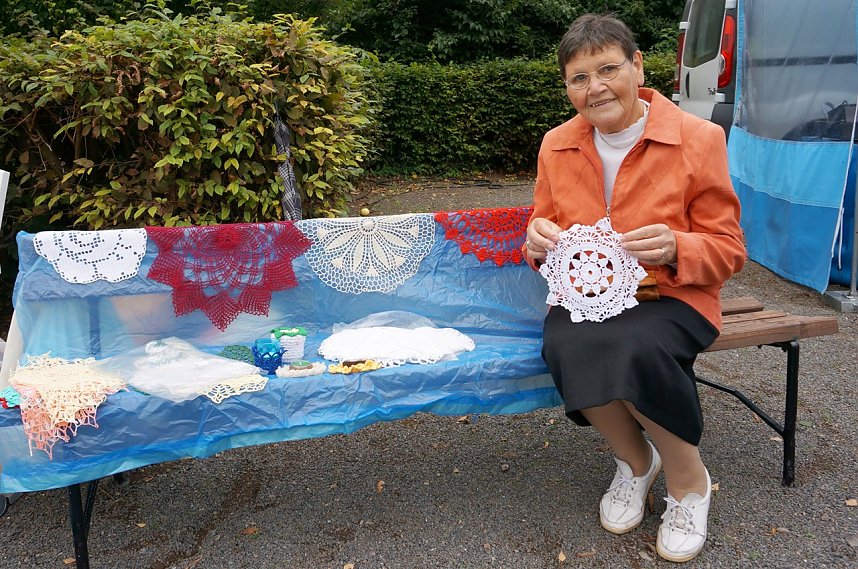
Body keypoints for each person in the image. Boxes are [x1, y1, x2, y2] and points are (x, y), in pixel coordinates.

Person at [524, 14, 746, 563]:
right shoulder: (556, 145)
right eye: (579, 77)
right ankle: (635, 461)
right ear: (567, 87)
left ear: (638, 65)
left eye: (607, 69)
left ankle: (689, 484)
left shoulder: (698, 138)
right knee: (564, 342)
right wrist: (535, 241)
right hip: (587, 297)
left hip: (675, 297)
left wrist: (677, 248)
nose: (594, 86)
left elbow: (730, 249)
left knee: (631, 345)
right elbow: (541, 237)